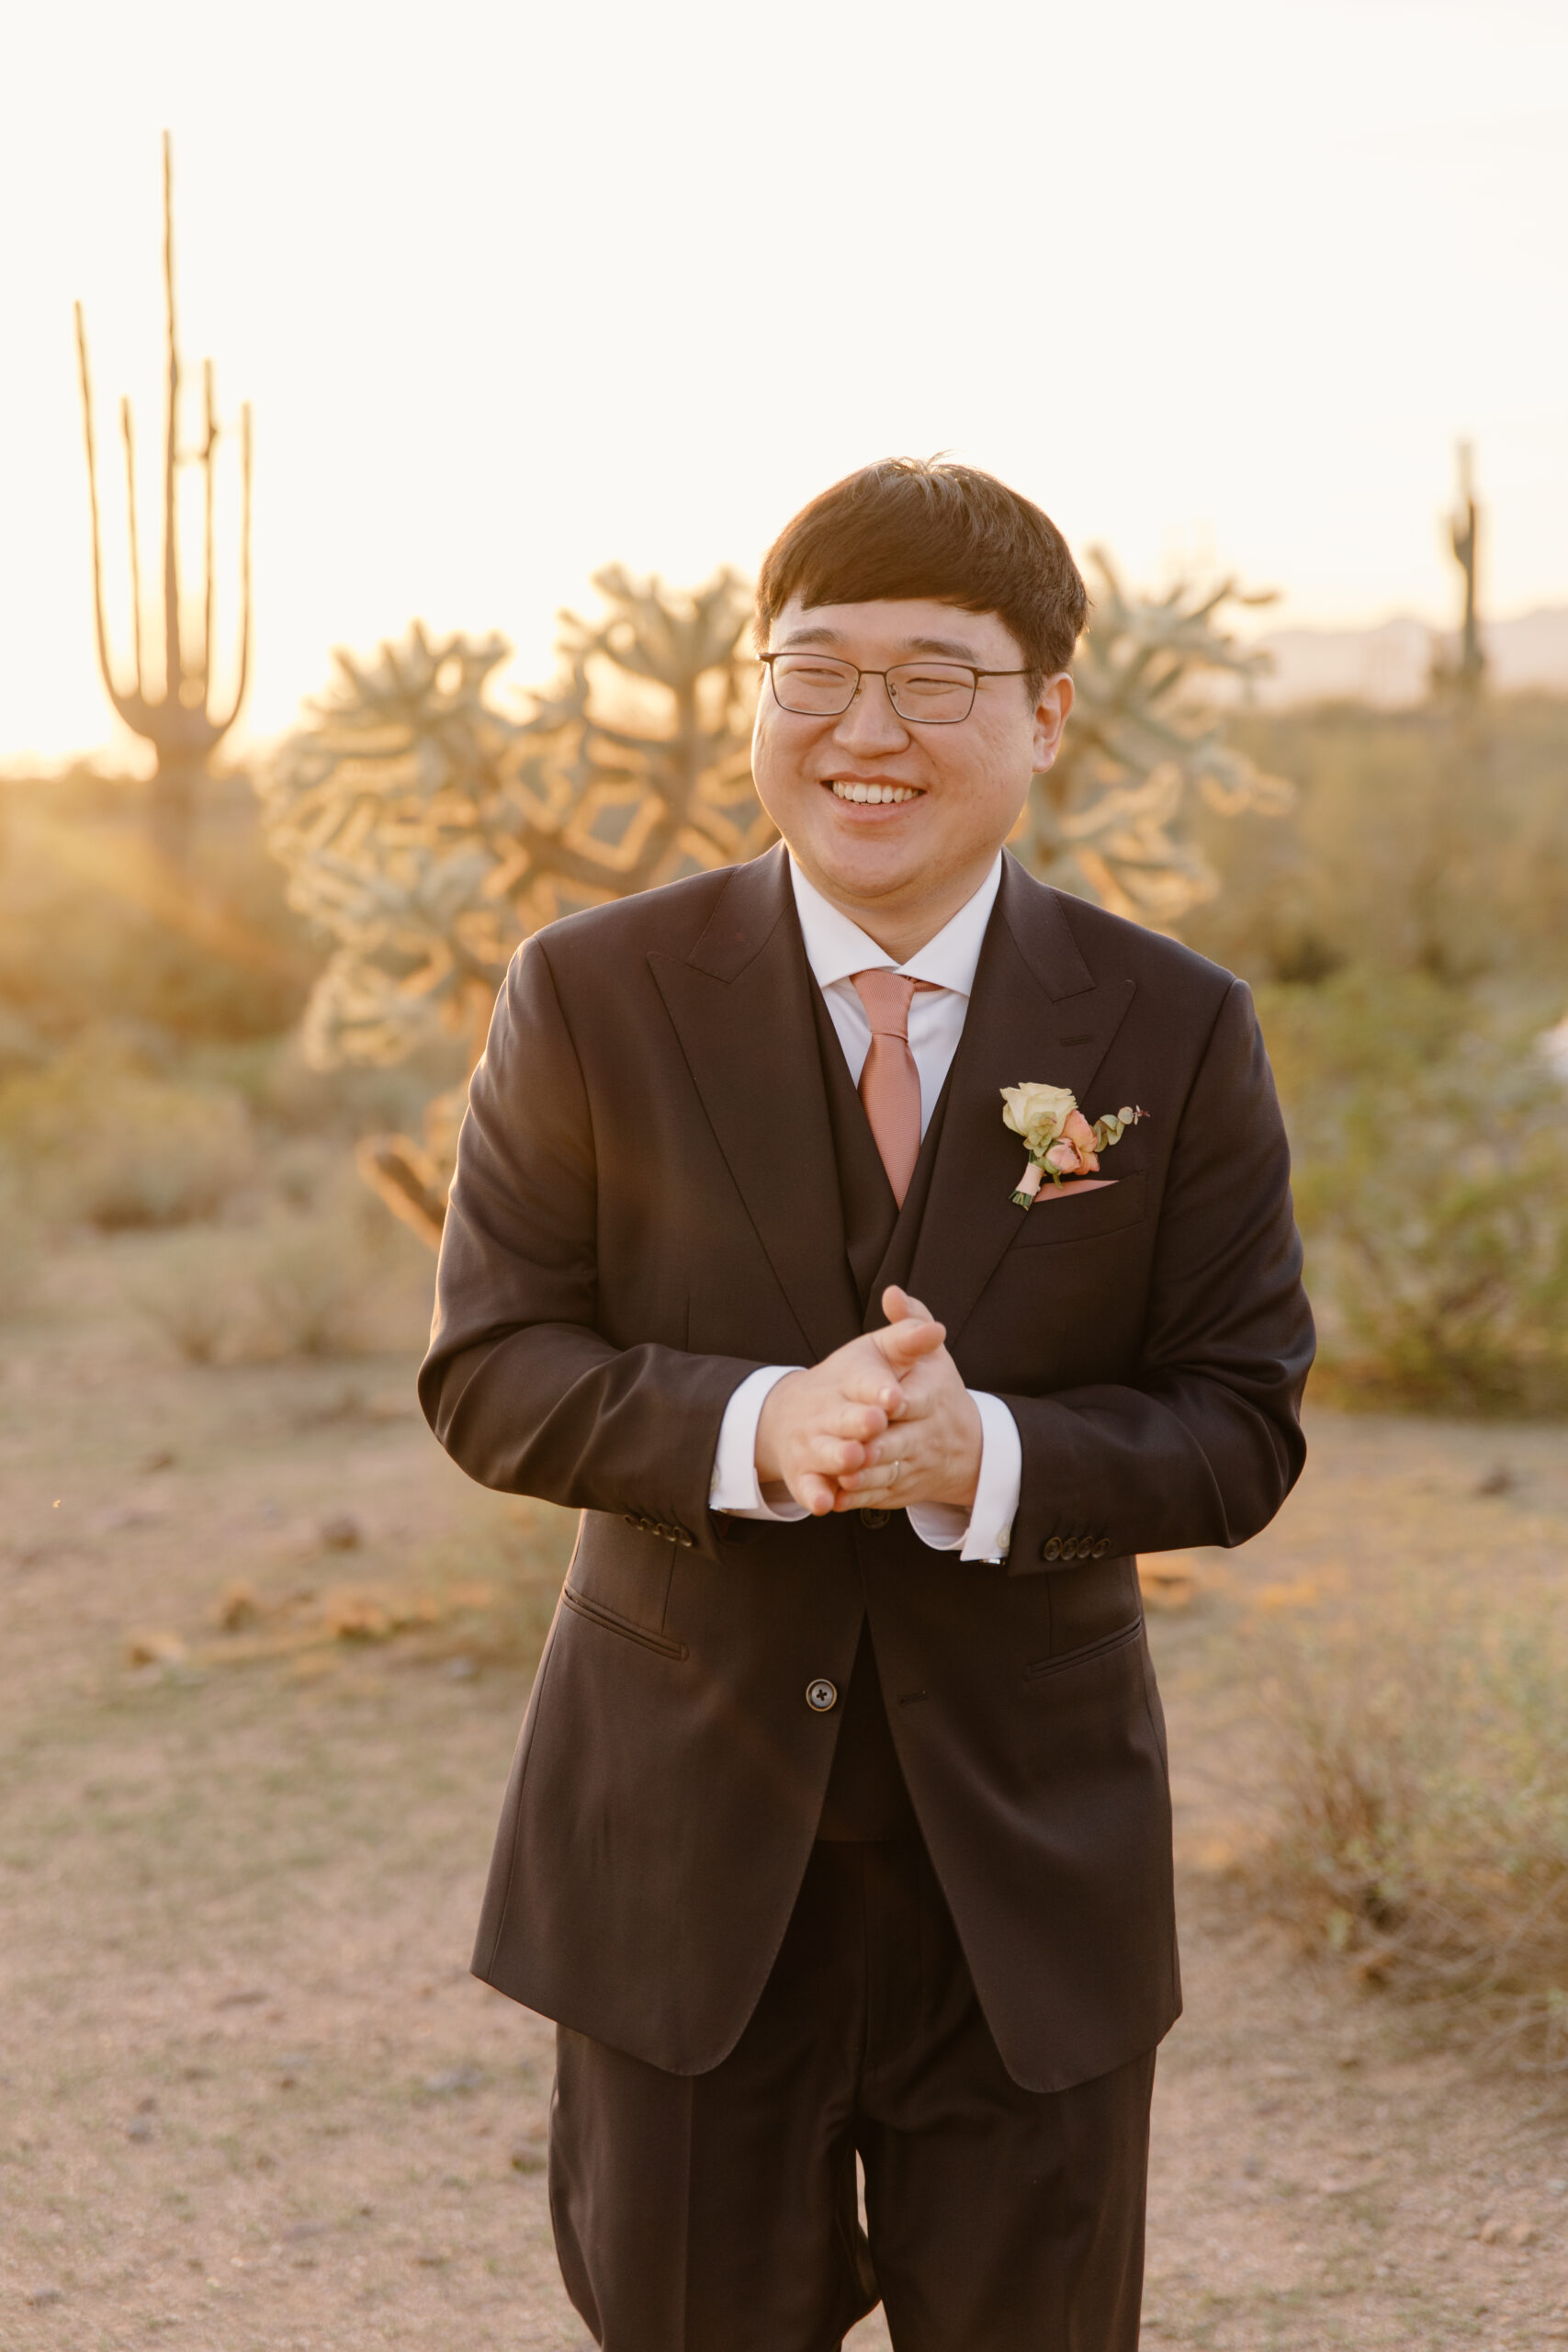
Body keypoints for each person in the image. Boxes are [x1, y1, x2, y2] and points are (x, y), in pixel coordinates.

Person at [419, 457, 1314, 2351]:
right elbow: (490, 1368)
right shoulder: (588, 992)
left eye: (934, 676)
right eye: (814, 670)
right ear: (757, 693)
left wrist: (976, 1453)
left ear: (1045, 712)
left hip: (1029, 1872)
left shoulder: (1168, 1024)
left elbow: (1239, 1419)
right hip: (674, 1863)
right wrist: (758, 1422)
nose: (866, 729)